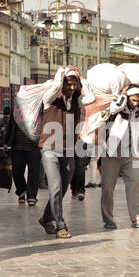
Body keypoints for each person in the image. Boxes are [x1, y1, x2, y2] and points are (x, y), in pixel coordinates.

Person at [38, 66, 95, 239]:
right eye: (67, 84)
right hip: (50, 149)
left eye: (74, 84)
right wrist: (60, 75)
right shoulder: (50, 99)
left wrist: (81, 77)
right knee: (55, 187)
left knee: (61, 190)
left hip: (69, 150)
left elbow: (91, 98)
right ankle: (60, 225)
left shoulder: (78, 100)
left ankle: (46, 218)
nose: (71, 88)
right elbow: (55, 87)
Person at [100, 84, 139, 230]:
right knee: (108, 188)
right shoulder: (119, 105)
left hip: (131, 153)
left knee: (135, 184)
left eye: (138, 100)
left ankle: (137, 218)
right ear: (127, 98)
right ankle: (108, 220)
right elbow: (114, 107)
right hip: (111, 153)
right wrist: (123, 94)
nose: (136, 103)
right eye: (133, 100)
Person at [4, 101, 42, 207]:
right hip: (17, 147)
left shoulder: (38, 111)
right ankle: (22, 191)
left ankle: (32, 196)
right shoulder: (16, 111)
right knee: (17, 172)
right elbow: (10, 126)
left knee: (34, 173)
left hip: (34, 147)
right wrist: (6, 142)